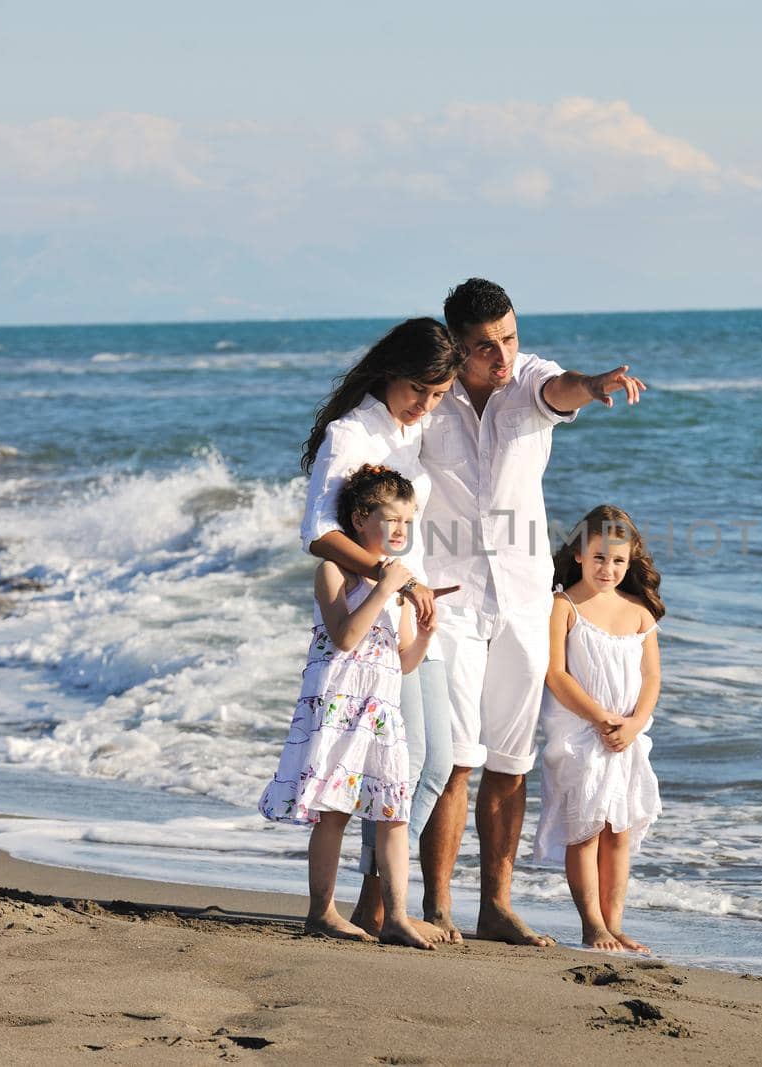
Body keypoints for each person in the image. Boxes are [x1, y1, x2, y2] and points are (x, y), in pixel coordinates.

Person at [417, 278, 647, 946]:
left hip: (520, 598)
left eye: (510, 338)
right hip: (451, 598)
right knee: (456, 758)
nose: (502, 356)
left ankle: (496, 905)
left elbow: (561, 387)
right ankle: (436, 906)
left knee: (511, 763)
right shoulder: (433, 398)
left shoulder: (529, 383)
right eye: (485, 346)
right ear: (455, 347)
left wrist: (595, 383)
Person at [299, 318, 464, 942]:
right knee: (409, 765)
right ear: (391, 371)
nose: (426, 404)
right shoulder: (350, 433)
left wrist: (417, 589)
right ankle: (378, 906)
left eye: (439, 393)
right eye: (420, 388)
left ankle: (381, 903)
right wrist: (395, 578)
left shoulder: (410, 430)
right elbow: (319, 533)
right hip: (374, 610)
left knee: (435, 761)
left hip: (409, 610)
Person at [258, 464, 438, 950]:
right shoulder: (333, 570)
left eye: (408, 522)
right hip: (340, 704)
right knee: (333, 810)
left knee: (392, 812)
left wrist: (423, 633)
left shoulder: (401, 587)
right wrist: (385, 586)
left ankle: (398, 914)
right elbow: (344, 636)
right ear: (360, 519)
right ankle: (321, 911)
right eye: (392, 520)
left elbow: (403, 664)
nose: (401, 531)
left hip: (380, 709)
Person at [534, 505, 664, 952]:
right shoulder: (563, 605)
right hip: (580, 733)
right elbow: (557, 675)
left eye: (618, 561)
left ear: (631, 562)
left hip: (626, 738)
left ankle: (615, 922)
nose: (607, 569)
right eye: (598, 558)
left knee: (619, 831)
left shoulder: (639, 612)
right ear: (578, 555)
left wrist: (634, 723)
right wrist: (601, 718)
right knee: (586, 828)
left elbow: (652, 679)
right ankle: (592, 924)